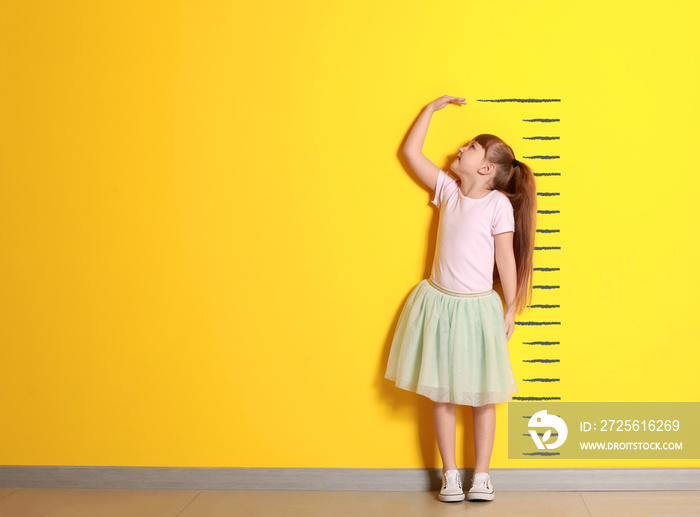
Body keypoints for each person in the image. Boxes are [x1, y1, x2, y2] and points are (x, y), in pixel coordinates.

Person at [384, 95, 537, 503]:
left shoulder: (497, 205)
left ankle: (481, 475)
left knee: (483, 396)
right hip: (440, 304)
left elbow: (506, 257)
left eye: (470, 147)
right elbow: (410, 152)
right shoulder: (448, 191)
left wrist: (510, 307)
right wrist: (428, 111)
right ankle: (450, 474)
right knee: (442, 392)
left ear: (486, 169)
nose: (460, 149)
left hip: (477, 309)